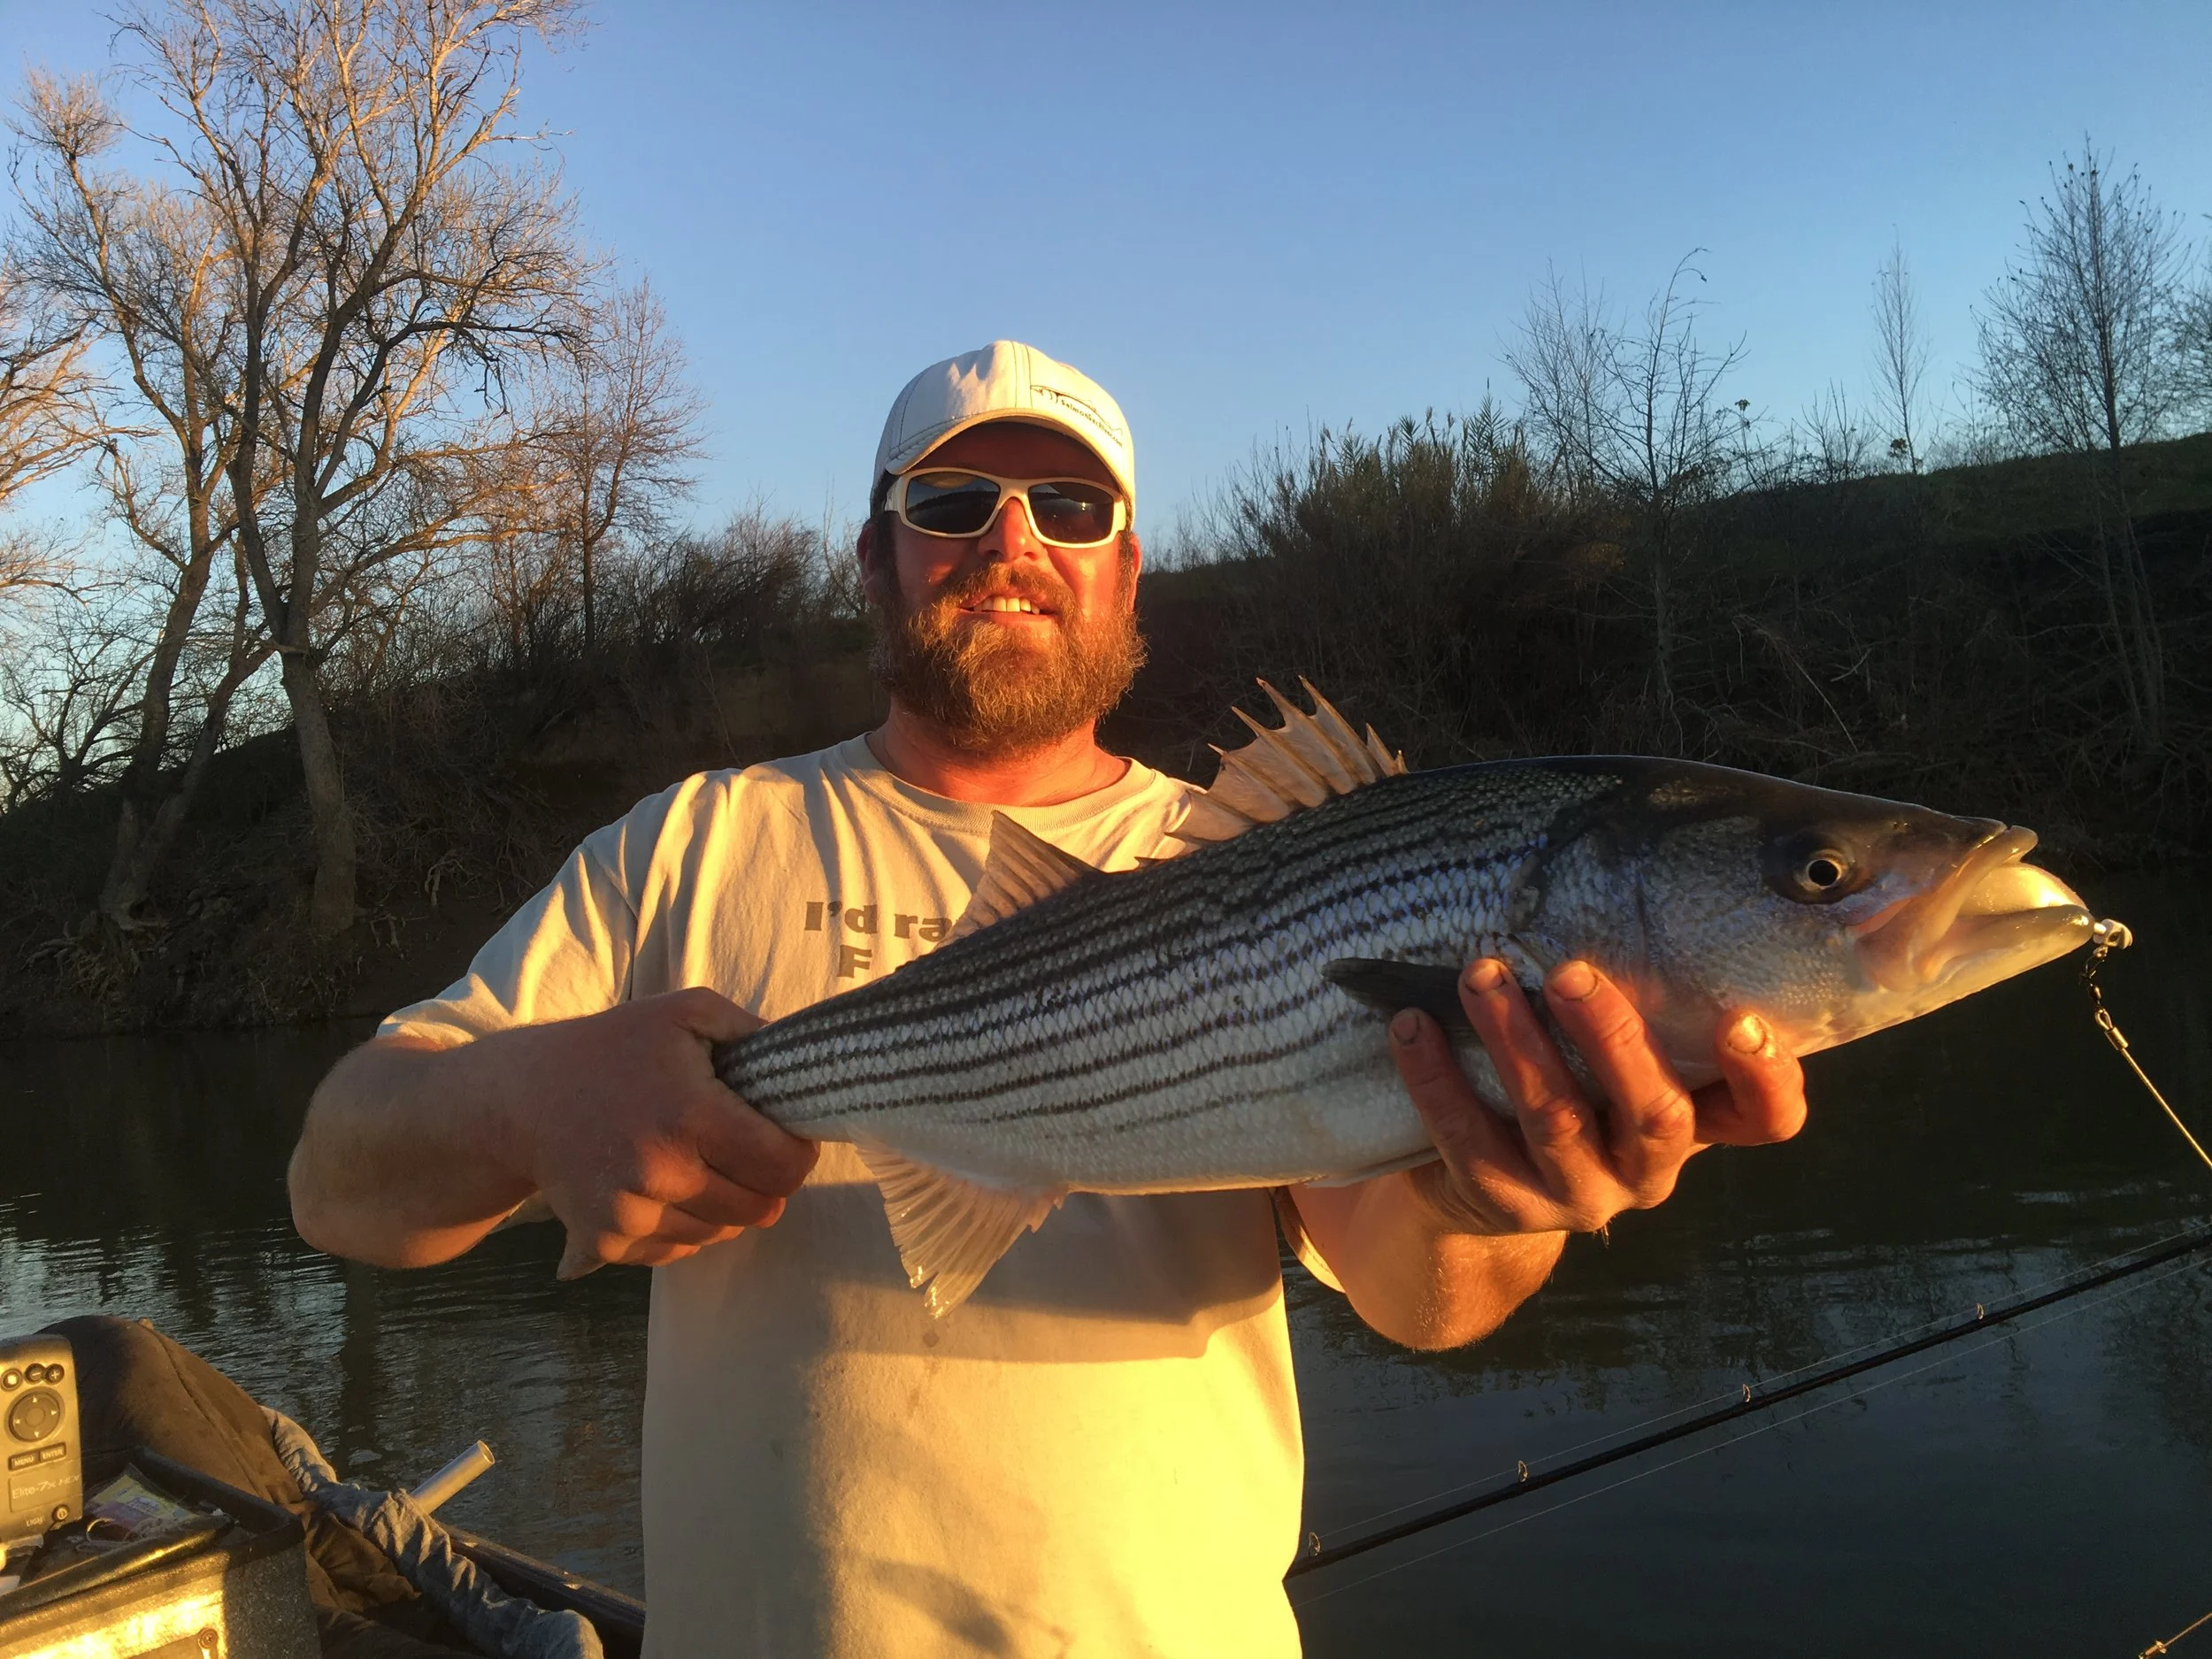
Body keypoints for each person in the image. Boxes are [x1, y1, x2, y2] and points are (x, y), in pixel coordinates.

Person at [289, 341, 1808, 1657]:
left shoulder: (1253, 853)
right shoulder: (696, 842)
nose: (1011, 539)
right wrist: (527, 1097)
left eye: (1070, 508)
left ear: (1127, 568)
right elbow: (336, 1182)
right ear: (875, 558)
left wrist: (1508, 1197)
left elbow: (1418, 1296)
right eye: (950, 503)